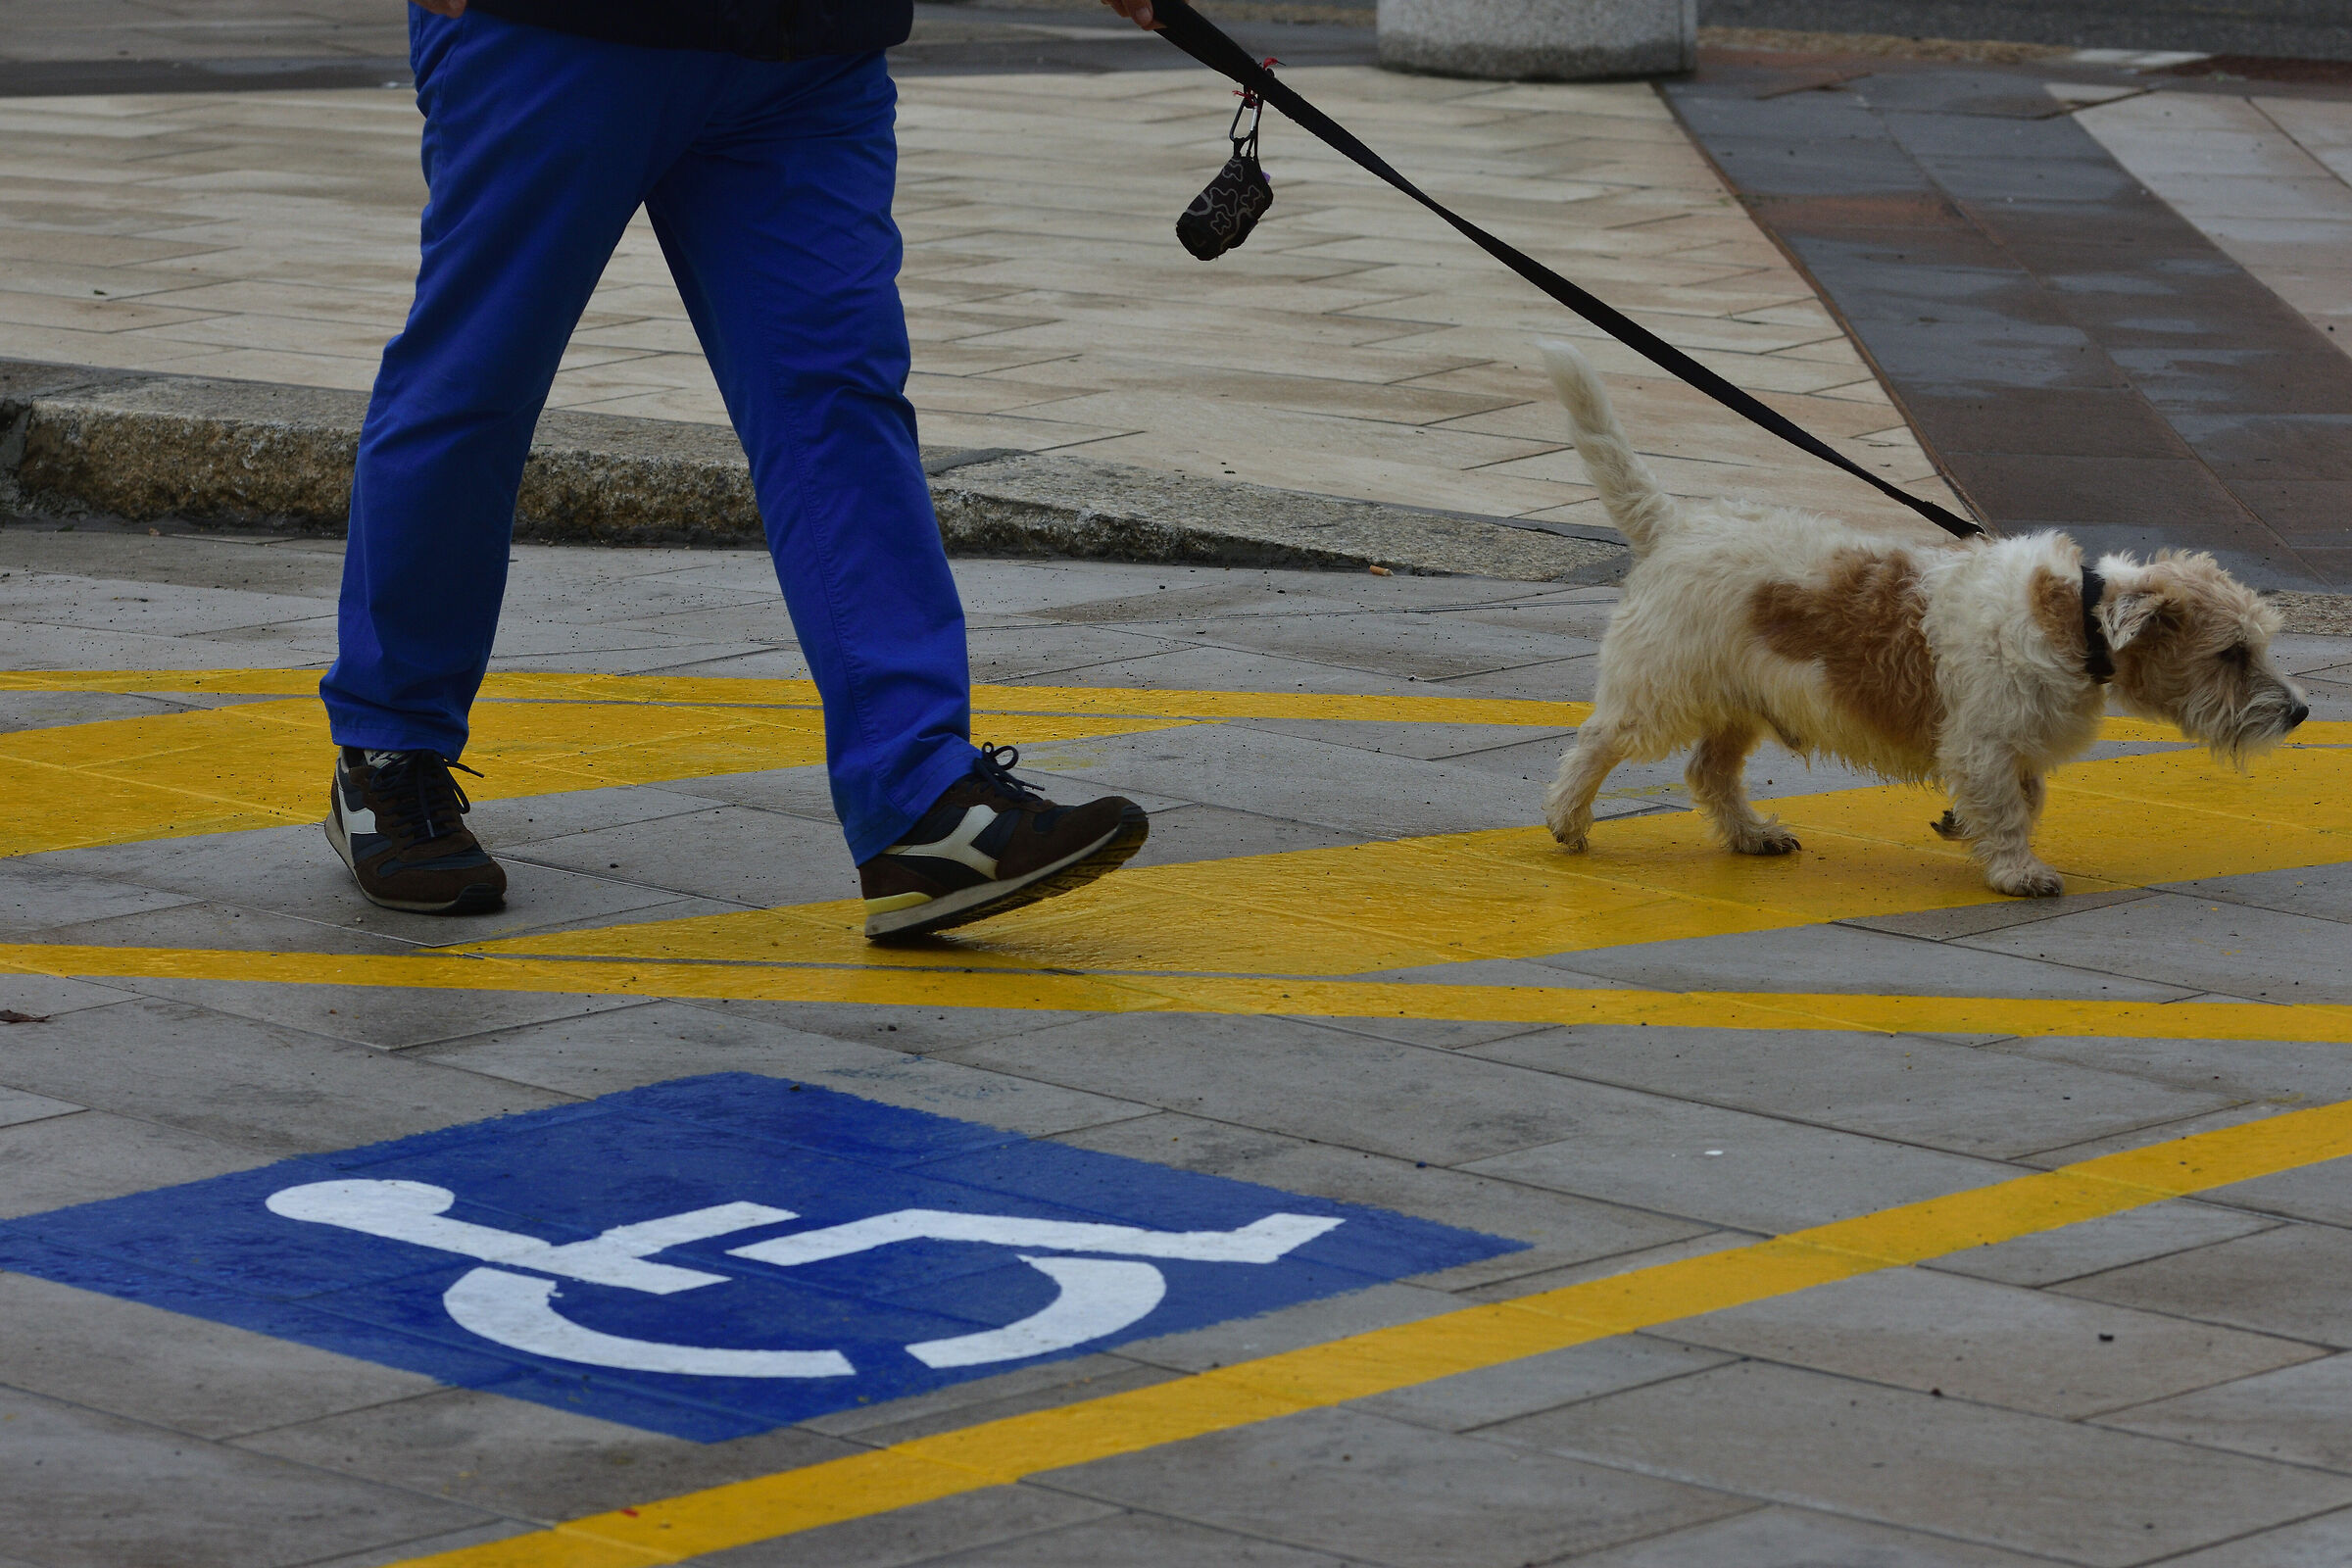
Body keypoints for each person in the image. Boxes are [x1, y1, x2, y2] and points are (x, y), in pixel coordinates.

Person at [322, 0, 1160, 941]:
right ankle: (388, 752)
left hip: (804, 45)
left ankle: (919, 802)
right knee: (477, 379)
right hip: (555, 33)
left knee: (840, 403)